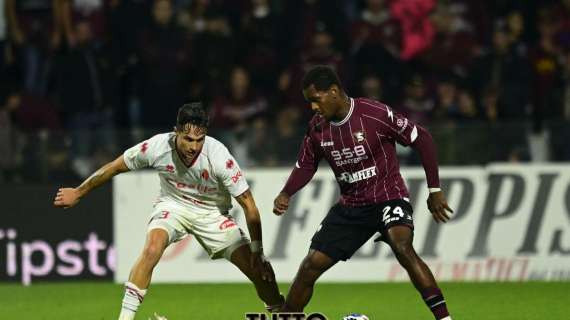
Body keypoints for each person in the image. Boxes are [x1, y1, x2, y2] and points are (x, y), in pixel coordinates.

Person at [53, 102, 284, 320]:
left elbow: (249, 205)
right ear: (176, 132)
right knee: (152, 248)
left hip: (213, 214)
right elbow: (114, 167)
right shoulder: (156, 147)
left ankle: (282, 312)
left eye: (200, 140)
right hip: (173, 206)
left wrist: (258, 251)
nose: (194, 146)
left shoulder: (219, 157)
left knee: (260, 273)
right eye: (188, 139)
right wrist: (79, 192)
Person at [273, 65, 453, 320]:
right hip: (351, 207)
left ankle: (445, 319)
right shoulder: (316, 128)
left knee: (402, 247)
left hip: (388, 197)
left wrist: (434, 189)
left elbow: (421, 138)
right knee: (311, 265)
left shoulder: (374, 113)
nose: (313, 107)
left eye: (316, 99)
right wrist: (286, 192)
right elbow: (306, 165)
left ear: (334, 91)